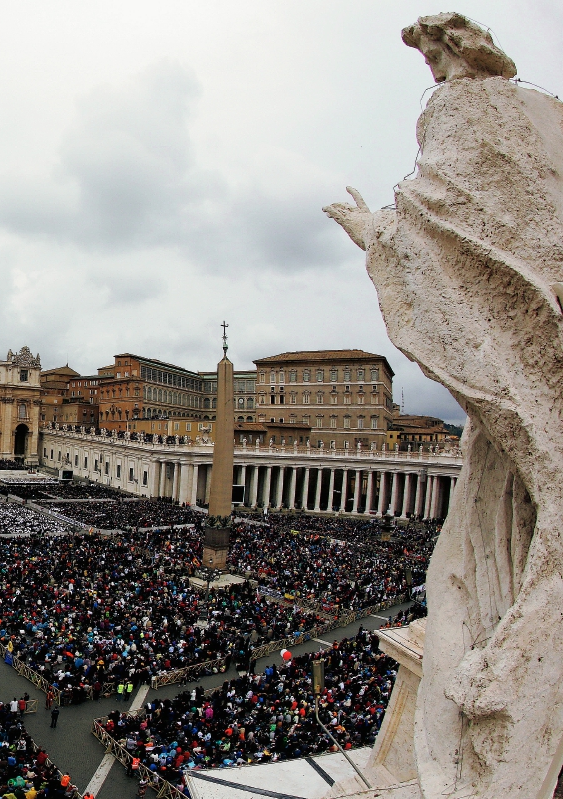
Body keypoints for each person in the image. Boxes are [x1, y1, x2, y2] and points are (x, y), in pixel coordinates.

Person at [325, 14, 562, 797]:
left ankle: (506, 671)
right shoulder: (535, 123)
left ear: (463, 49)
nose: (430, 65)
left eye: (435, 50)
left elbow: (436, 241)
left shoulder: (465, 112)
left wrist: (375, 233)